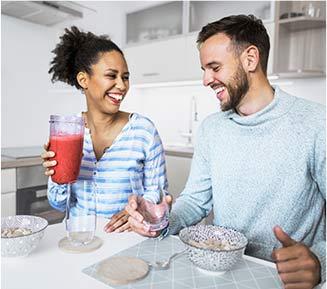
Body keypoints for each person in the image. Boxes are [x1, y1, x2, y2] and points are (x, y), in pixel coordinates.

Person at [126, 15, 326, 289]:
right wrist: (160, 220)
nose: (206, 79)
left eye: (214, 67)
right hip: (218, 276)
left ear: (250, 59)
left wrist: (319, 263)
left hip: (284, 281)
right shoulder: (211, 128)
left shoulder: (317, 124)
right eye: (204, 69)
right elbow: (195, 202)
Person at [42, 26, 167, 233]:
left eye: (125, 77)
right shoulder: (68, 132)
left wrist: (139, 210)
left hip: (126, 240)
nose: (122, 85)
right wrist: (58, 177)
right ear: (84, 80)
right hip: (78, 237)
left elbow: (157, 192)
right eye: (112, 75)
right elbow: (57, 203)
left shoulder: (143, 131)